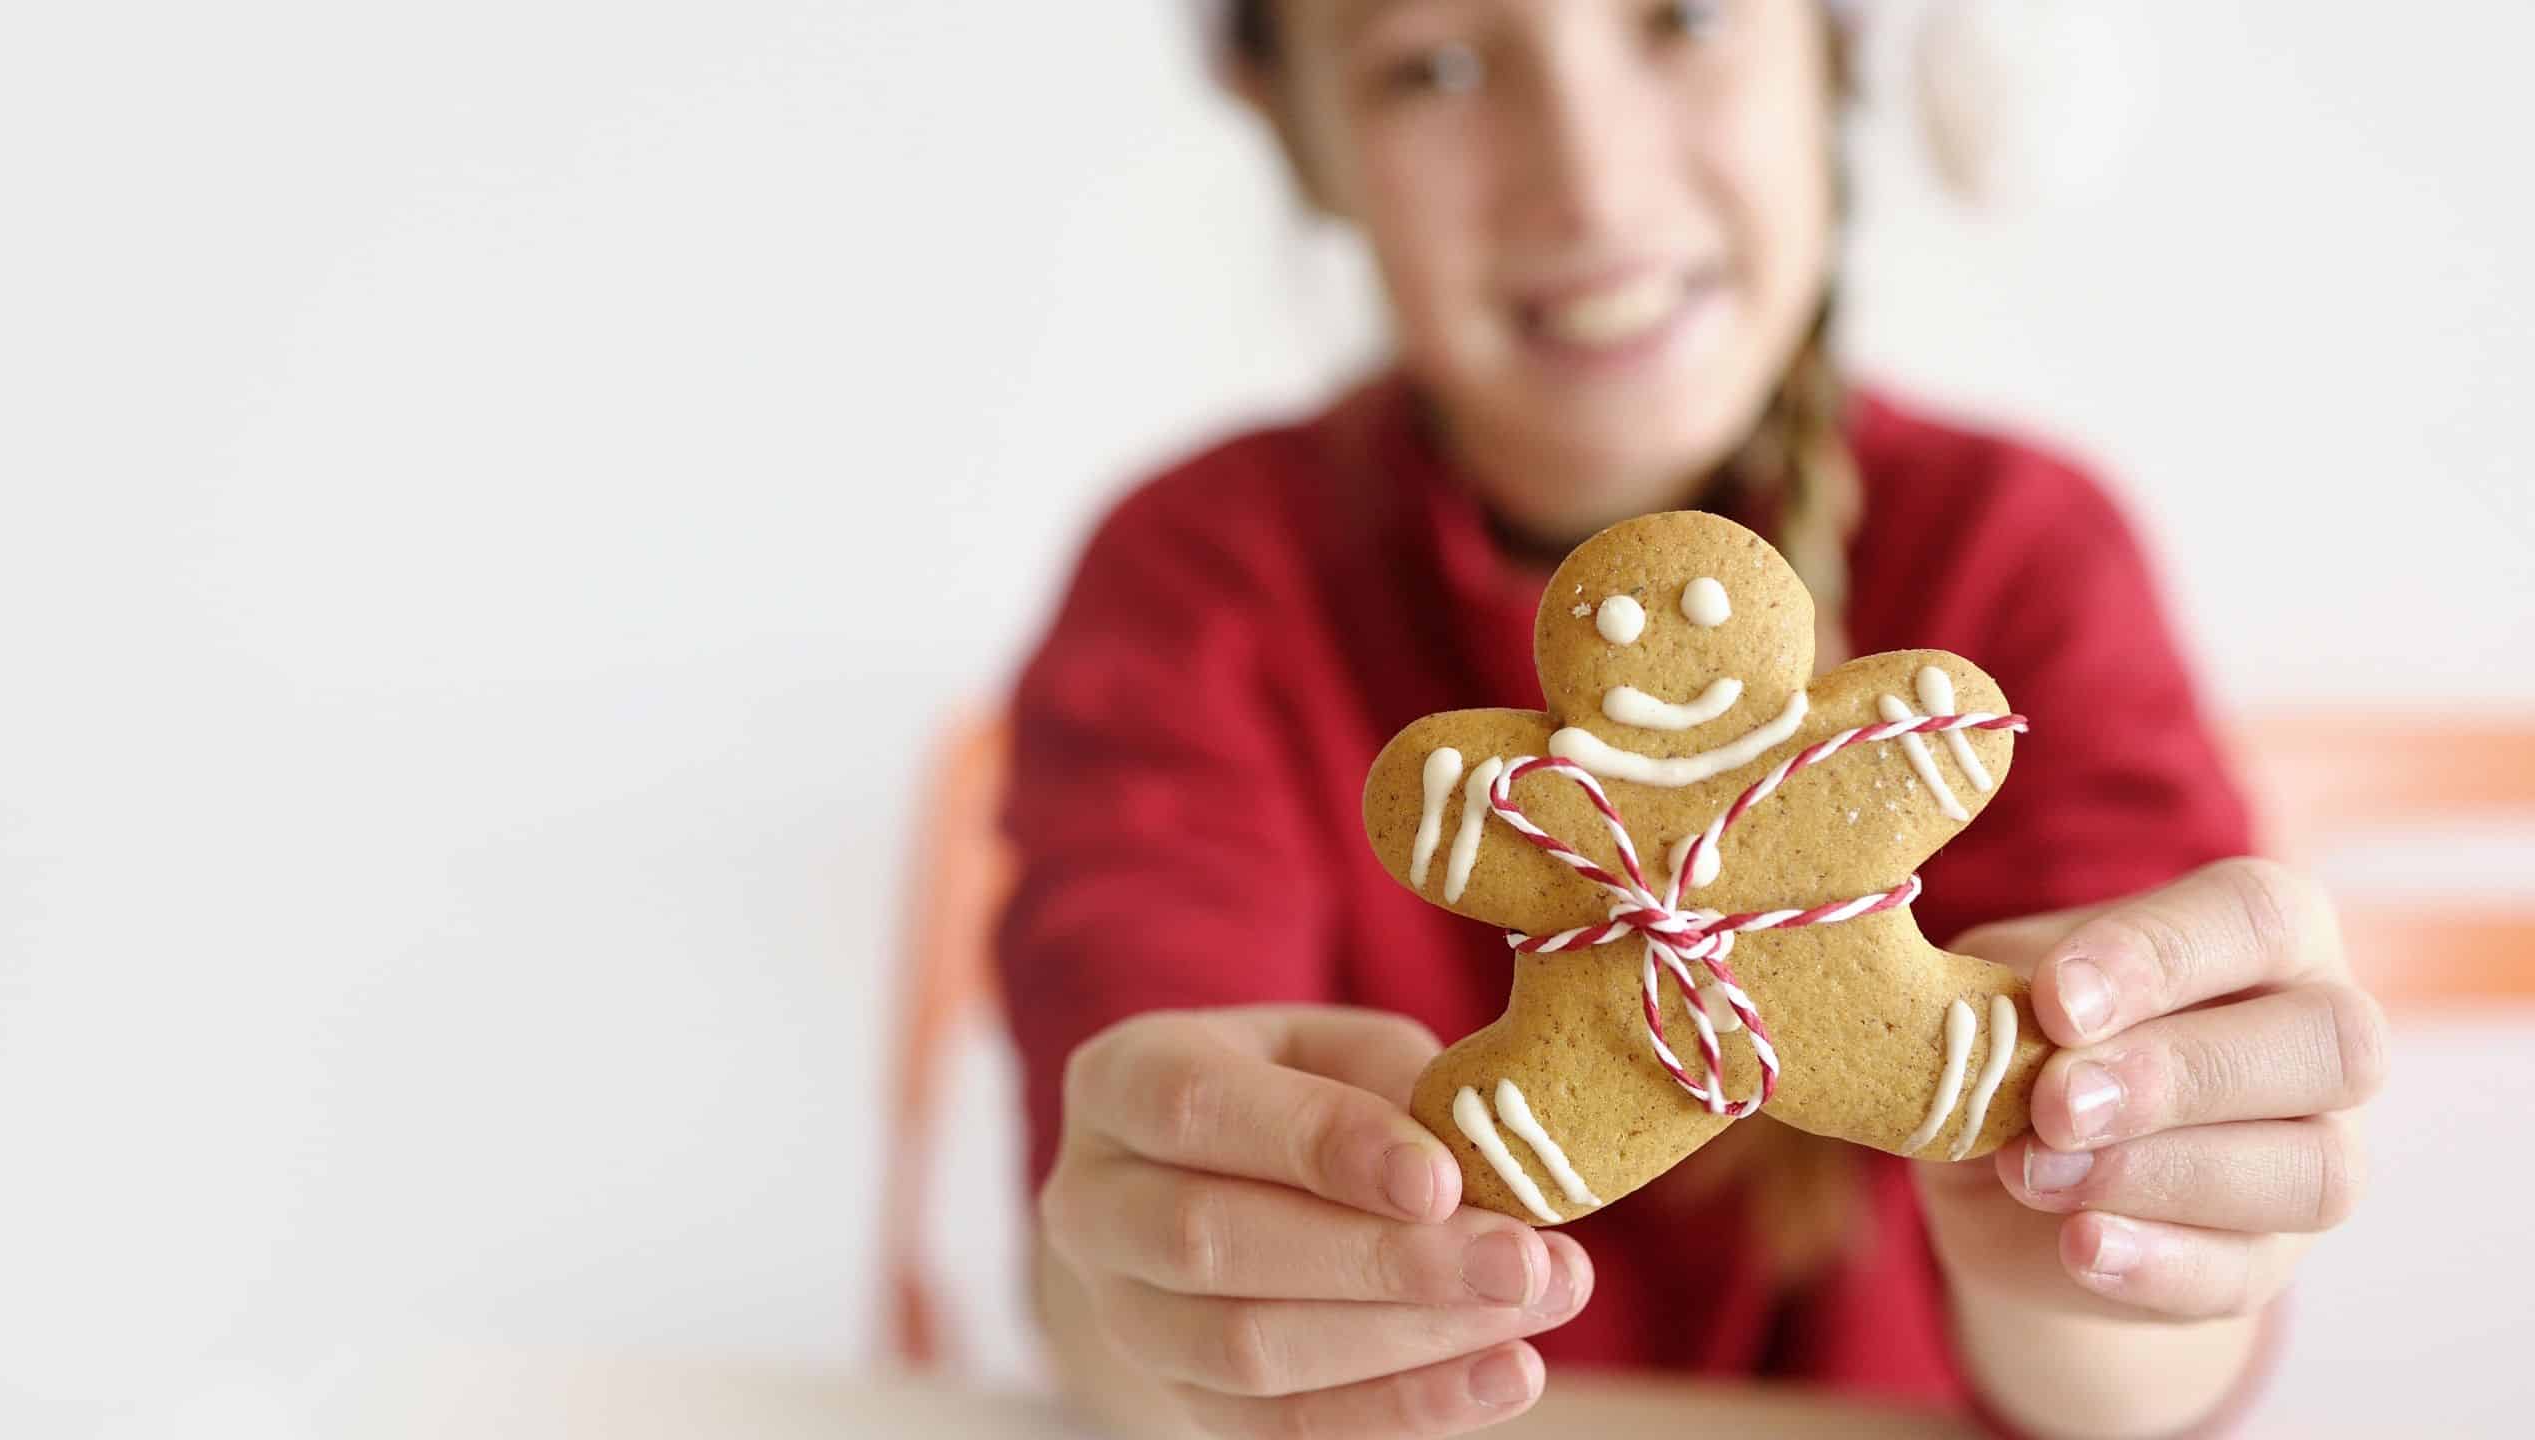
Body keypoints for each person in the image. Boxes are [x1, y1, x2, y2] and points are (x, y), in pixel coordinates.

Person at [999, 3, 2384, 1436]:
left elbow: (2140, 1383)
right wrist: (1170, 1273)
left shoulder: (2022, 557)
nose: (1591, 182)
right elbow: (1101, 1283)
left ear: (1834, 52)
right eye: (1437, 65)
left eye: (1690, 17)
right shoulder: (1198, 586)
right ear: (1294, 129)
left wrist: (2113, 1208)